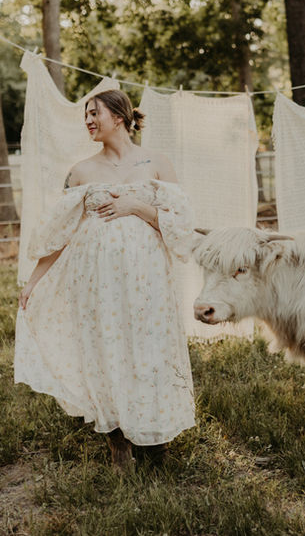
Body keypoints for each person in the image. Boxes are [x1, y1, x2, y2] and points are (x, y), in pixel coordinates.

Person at [15, 89, 195, 470]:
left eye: (94, 113)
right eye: (86, 115)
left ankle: (156, 440)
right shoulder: (81, 172)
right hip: (98, 284)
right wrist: (32, 282)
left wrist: (137, 207)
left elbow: (180, 227)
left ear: (119, 116)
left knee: (149, 350)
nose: (88, 121)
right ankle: (117, 440)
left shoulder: (157, 163)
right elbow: (60, 232)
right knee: (107, 350)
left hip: (149, 283)